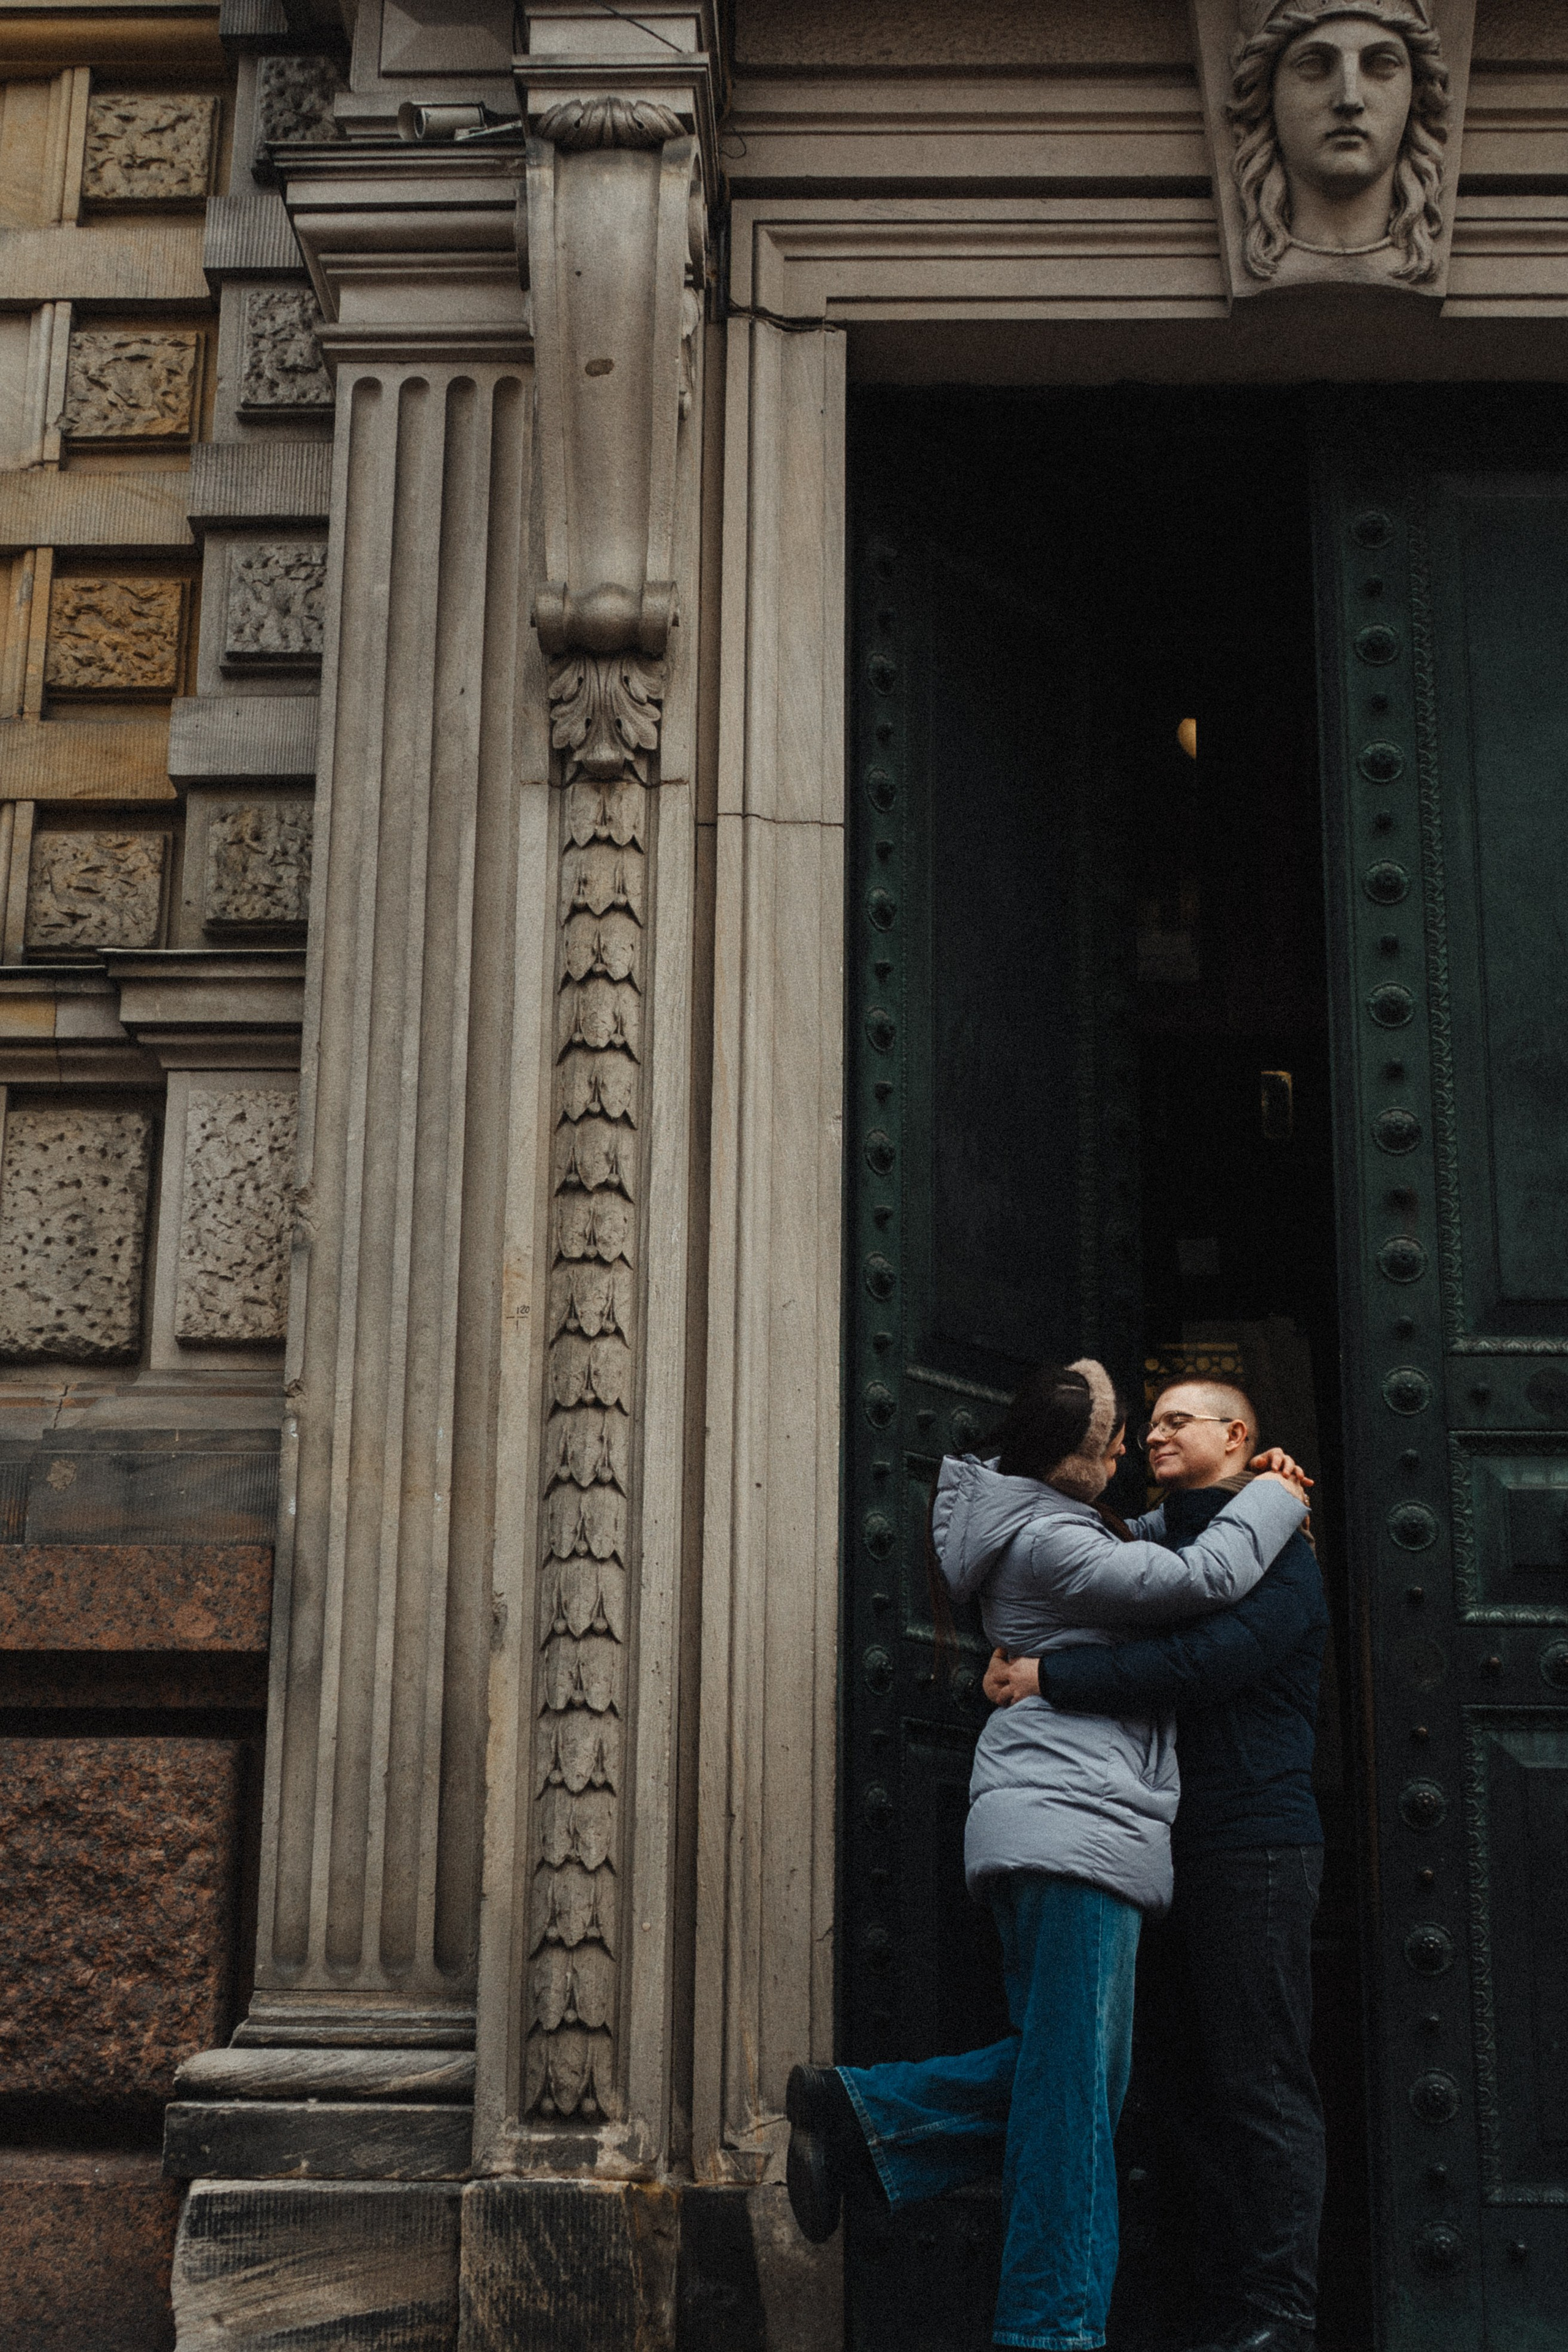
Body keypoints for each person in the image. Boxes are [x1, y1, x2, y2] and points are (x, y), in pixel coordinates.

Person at [785, 1360, 1310, 2352]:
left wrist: (1250, 1495)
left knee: (1076, 2077)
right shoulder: (1053, 1538)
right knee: (1075, 2100)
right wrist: (1281, 1497)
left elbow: (1156, 1542)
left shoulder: (1060, 1527)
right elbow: (1200, 1578)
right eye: (1116, 1441)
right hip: (1078, 1830)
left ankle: (860, 2119)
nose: (1130, 1455)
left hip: (1063, 1823)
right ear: (1071, 1460)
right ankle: (1051, 2330)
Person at [985, 1380, 1329, 2352]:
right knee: (1152, 2080)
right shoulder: (1144, 1545)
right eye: (1157, 1420)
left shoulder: (1282, 1551)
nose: (1163, 1431)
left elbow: (1199, 1667)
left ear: (1242, 1437)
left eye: (1187, 1418)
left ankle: (1277, 2321)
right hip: (1147, 1845)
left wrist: (1047, 1677)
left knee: (1258, 2083)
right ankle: (1193, 2304)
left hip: (1252, 1844)